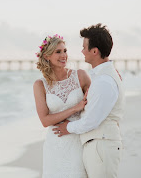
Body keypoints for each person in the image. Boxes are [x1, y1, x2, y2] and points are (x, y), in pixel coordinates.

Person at [53, 24, 124, 178]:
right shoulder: (102, 77)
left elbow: (92, 121)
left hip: (101, 146)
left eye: (84, 47)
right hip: (99, 145)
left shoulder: (104, 81)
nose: (82, 51)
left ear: (94, 51)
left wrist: (68, 127)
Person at [33, 34, 91, 177]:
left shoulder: (80, 76)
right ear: (47, 56)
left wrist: (112, 75)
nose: (63, 55)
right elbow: (45, 121)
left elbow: (97, 98)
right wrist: (75, 108)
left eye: (64, 51)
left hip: (78, 140)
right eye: (58, 52)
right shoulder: (40, 85)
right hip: (55, 145)